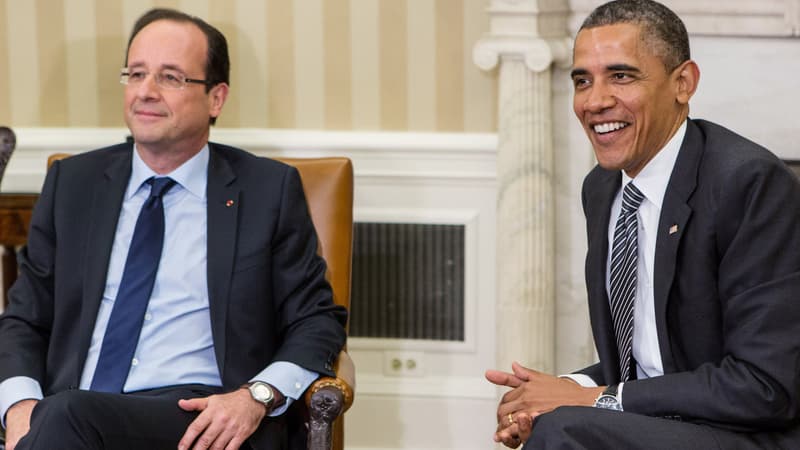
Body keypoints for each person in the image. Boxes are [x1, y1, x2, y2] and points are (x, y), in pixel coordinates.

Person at [0, 8, 347, 450]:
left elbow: (317, 320)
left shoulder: (266, 191)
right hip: (69, 412)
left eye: (170, 77)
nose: (145, 91)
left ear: (216, 98)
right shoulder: (74, 183)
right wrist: (19, 405)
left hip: (199, 419)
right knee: (65, 413)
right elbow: (25, 316)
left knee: (69, 414)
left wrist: (256, 396)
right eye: (136, 73)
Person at [486, 0, 800, 448]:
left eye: (621, 76)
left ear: (683, 83)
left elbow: (765, 386)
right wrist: (553, 393)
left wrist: (593, 401)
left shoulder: (748, 183)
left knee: (564, 433)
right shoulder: (603, 188)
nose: (595, 101)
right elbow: (650, 361)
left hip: (749, 434)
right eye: (582, 80)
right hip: (668, 425)